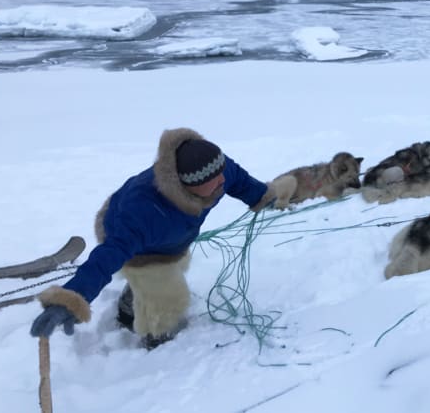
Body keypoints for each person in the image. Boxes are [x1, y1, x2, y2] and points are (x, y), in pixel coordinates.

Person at [30, 128, 274, 349]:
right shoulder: (145, 210)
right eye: (216, 179)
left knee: (171, 269)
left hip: (171, 238)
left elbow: (238, 179)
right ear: (189, 184)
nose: (223, 181)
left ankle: (130, 305)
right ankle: (159, 337)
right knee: (168, 295)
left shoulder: (215, 170)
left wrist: (262, 196)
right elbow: (106, 258)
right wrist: (72, 298)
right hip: (134, 241)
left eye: (222, 173)